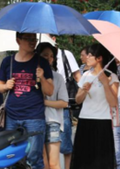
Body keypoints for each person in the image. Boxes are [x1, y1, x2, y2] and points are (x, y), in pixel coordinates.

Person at [0, 32, 54, 169]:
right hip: (11, 117)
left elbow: (50, 91)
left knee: (33, 159)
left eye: (33, 39)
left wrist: (42, 78)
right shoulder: (8, 62)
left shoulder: (42, 63)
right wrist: (6, 86)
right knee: (11, 157)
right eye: (28, 39)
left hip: (34, 117)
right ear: (18, 40)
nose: (32, 42)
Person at [70, 43, 119, 169]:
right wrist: (83, 90)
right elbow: (78, 100)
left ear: (99, 58)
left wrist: (105, 83)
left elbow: (113, 103)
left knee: (101, 160)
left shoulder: (111, 76)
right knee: (84, 159)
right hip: (85, 119)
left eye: (90, 55)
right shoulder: (86, 75)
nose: (87, 57)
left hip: (103, 121)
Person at [48, 34, 80, 169]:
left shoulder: (65, 54)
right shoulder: (36, 58)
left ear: (54, 39)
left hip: (64, 105)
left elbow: (78, 76)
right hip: (44, 109)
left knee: (66, 146)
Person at [37, 43, 69, 169]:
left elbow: (64, 102)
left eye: (51, 56)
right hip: (34, 120)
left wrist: (44, 102)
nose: (49, 58)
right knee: (41, 160)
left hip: (52, 121)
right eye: (45, 55)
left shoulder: (58, 77)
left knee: (53, 163)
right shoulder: (30, 75)